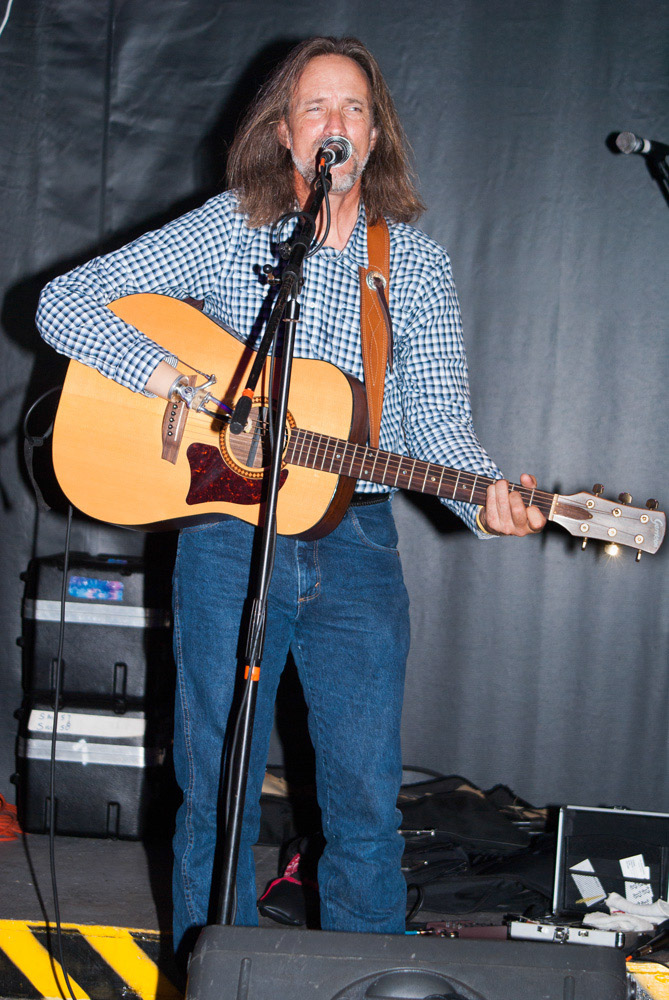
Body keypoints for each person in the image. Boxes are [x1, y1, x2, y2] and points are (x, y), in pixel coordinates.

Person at [36, 36, 546, 954]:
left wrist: (485, 499)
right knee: (216, 789)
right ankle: (213, 970)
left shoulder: (414, 267)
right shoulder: (232, 227)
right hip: (230, 537)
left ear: (376, 135)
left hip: (357, 544)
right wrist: (175, 381)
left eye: (355, 109)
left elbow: (434, 425)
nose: (336, 125)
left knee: (361, 802)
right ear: (283, 134)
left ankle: (359, 978)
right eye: (317, 108)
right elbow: (65, 303)